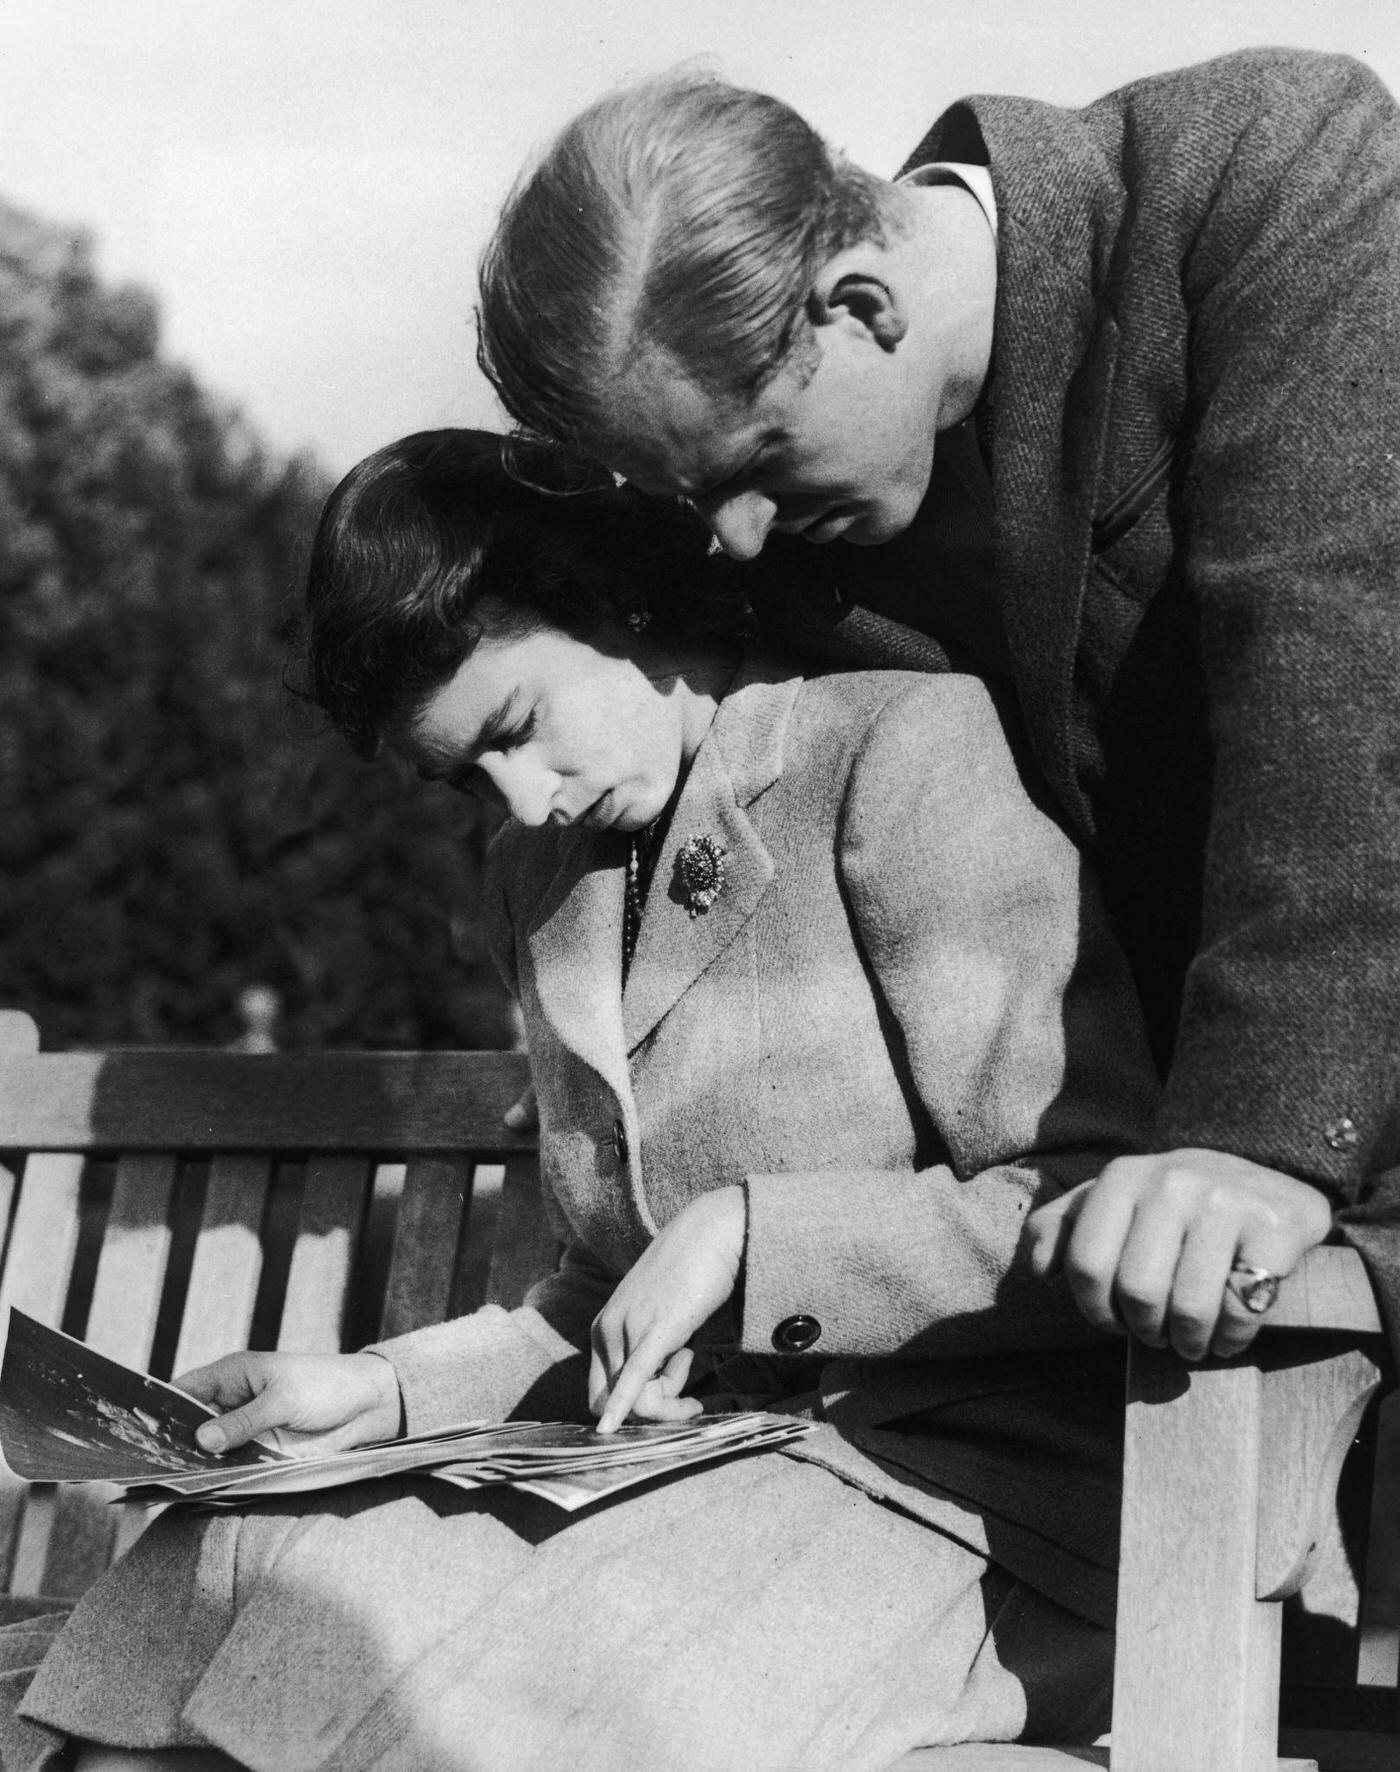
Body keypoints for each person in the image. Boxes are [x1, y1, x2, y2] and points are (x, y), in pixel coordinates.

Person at [0, 430, 1163, 1772]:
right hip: (705, 1481)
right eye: (463, 777)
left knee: (399, 1640)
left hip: (985, 1510)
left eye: (515, 729)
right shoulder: (551, 885)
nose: (520, 801)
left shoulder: (898, 754)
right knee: (232, 1547)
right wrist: (375, 1395)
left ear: (616, 603)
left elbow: (1088, 1202)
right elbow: (594, 1297)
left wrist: (751, 1237)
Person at [473, 47, 1400, 1365]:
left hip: (1280, 1154)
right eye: (695, 499)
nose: (735, 544)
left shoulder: (1268, 171)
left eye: (756, 463)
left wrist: (1256, 1141)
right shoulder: (796, 532)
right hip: (1125, 1242)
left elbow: (1346, 684)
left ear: (861, 303)